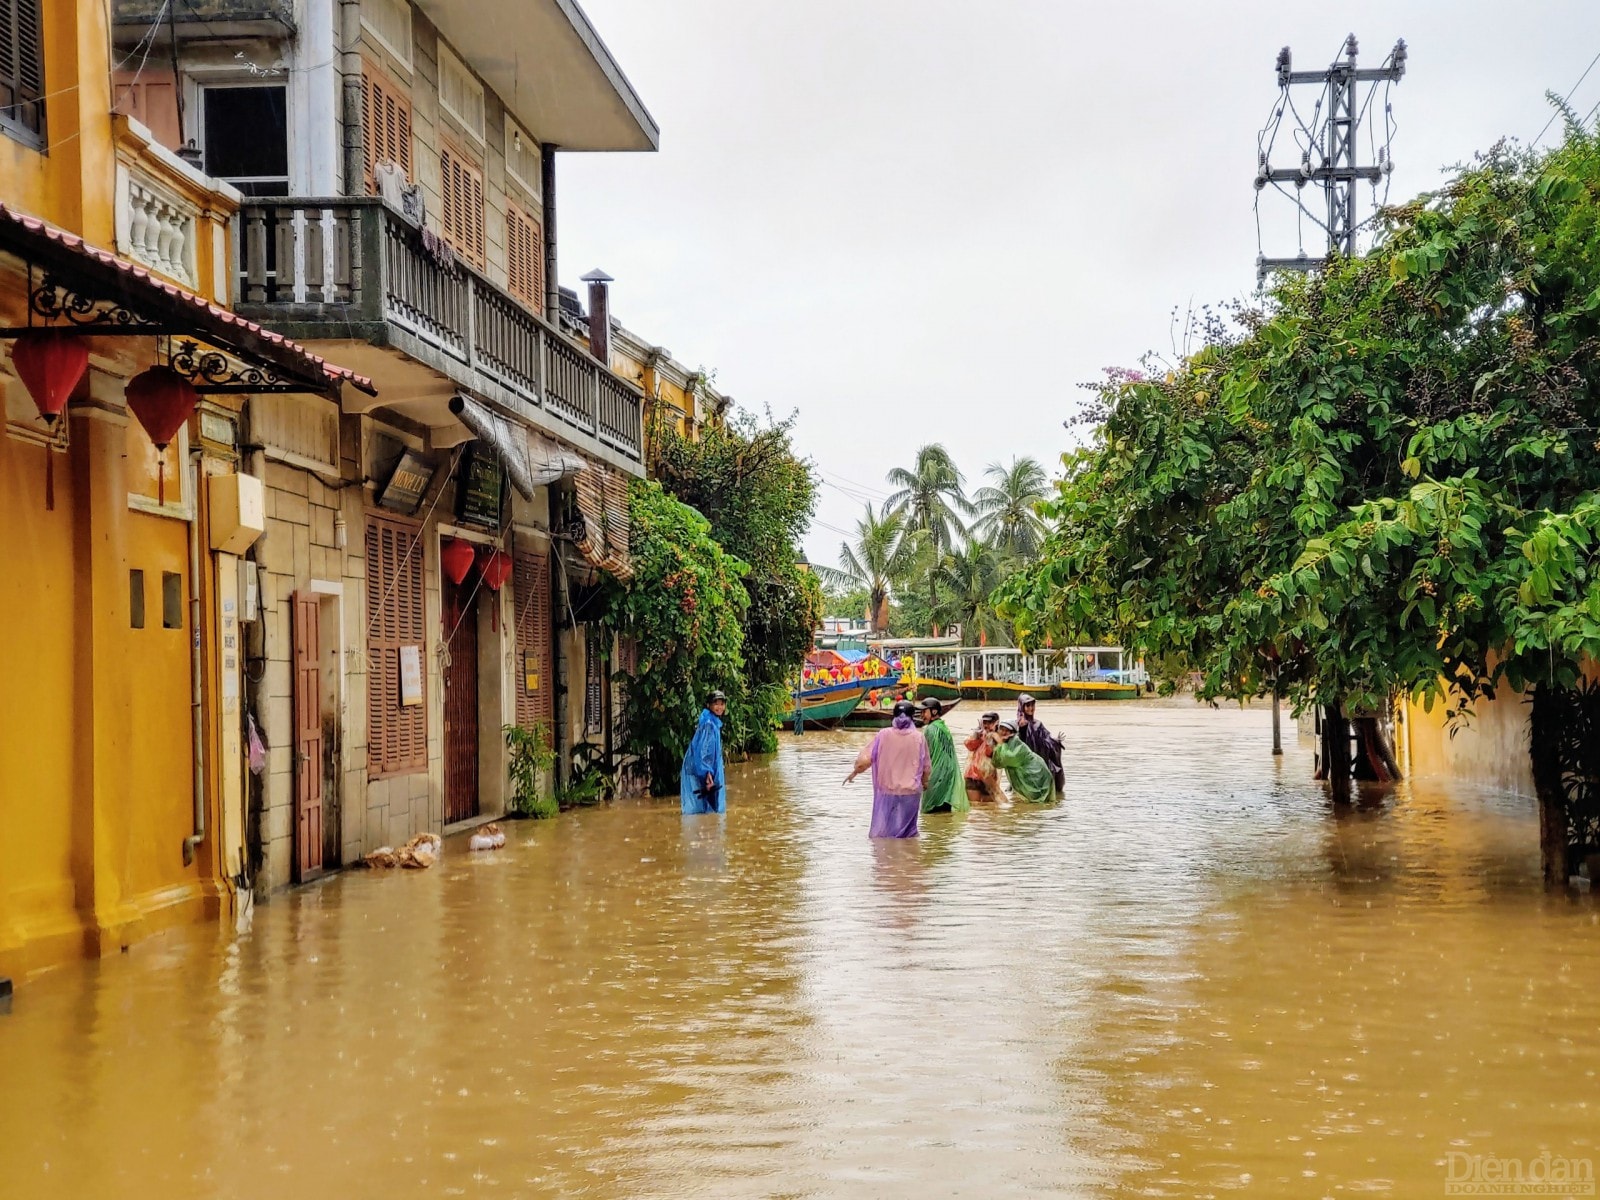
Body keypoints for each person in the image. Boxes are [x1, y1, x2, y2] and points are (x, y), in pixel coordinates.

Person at [843, 699, 930, 838]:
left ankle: (889, 856)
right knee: (907, 834)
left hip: (887, 791)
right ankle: (909, 857)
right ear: (912, 717)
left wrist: (855, 772)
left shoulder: (883, 735)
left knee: (887, 832)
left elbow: (864, 760)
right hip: (911, 791)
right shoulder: (919, 738)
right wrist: (925, 783)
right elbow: (926, 766)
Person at [918, 697, 969, 815]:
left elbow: (925, 756)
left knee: (931, 811)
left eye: (924, 712)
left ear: (934, 712)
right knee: (945, 811)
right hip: (949, 775)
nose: (921, 715)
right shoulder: (944, 728)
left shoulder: (930, 729)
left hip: (936, 774)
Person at [680, 690, 728, 814]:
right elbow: (704, 752)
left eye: (722, 704)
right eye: (716, 704)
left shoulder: (712, 722)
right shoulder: (709, 725)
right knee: (700, 810)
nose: (719, 707)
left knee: (703, 811)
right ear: (709, 705)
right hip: (701, 771)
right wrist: (707, 774)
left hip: (700, 769)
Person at [991, 718, 1057, 803]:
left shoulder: (1018, 745)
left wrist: (1000, 743)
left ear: (1012, 733)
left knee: (1037, 803)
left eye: (1007, 730)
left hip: (1037, 775)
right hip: (1028, 775)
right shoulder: (1005, 744)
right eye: (1002, 729)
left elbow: (1008, 759)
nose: (1003, 732)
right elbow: (997, 763)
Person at [1015, 694, 1065, 794]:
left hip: (1039, 761)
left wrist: (1056, 741)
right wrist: (1022, 728)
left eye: (1032, 705)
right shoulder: (1016, 725)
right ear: (1022, 707)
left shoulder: (1038, 724)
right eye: (1027, 706)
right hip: (1026, 764)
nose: (1031, 708)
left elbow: (1047, 739)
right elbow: (1017, 743)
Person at [964, 711, 1002, 804]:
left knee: (990, 809)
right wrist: (978, 736)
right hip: (973, 777)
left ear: (996, 723)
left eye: (990, 723)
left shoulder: (1000, 736)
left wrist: (993, 736)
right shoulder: (979, 735)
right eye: (985, 723)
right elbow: (968, 745)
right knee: (975, 808)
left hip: (989, 778)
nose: (986, 725)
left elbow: (997, 753)